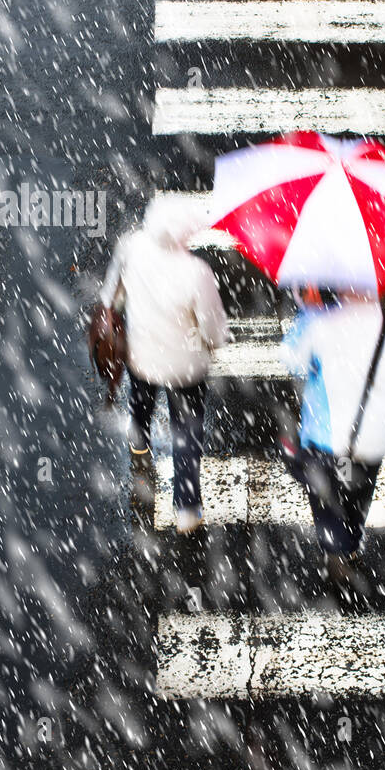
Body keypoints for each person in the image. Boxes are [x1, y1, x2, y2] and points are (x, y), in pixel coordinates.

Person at [278, 287, 385, 604]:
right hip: (371, 436)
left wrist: (308, 310)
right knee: (357, 491)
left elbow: (292, 361)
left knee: (326, 500)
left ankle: (336, 550)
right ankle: (350, 543)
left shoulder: (319, 321)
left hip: (326, 439)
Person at [100, 196, 231, 533]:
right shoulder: (196, 273)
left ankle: (139, 442)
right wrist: (213, 341)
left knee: (141, 401)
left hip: (142, 355)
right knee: (186, 434)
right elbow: (213, 330)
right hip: (184, 367)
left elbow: (111, 297)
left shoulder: (131, 247)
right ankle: (187, 509)